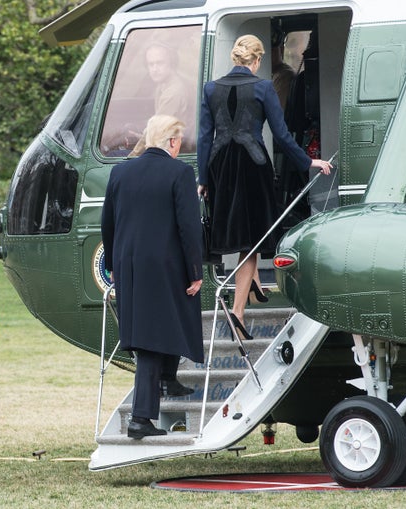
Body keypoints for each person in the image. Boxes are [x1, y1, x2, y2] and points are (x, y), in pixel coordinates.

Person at [197, 34, 332, 340]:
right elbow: (282, 135)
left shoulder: (210, 89)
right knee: (252, 244)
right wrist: (308, 162)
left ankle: (254, 284)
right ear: (257, 61)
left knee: (238, 233)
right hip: (252, 166)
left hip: (220, 167)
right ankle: (238, 313)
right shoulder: (262, 87)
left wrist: (203, 178)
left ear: (236, 59)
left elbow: (205, 137)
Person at [101, 115, 203, 439]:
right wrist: (195, 270)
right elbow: (189, 227)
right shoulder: (180, 172)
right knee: (151, 339)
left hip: (129, 266)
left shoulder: (121, 172)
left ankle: (168, 377)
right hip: (166, 265)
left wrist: (114, 265)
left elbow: (108, 223)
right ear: (172, 142)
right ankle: (141, 419)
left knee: (156, 326)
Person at [145, 43, 192, 127]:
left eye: (160, 63)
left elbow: (157, 130)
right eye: (151, 64)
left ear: (172, 63)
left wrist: (141, 139)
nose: (154, 69)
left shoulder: (173, 92)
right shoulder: (163, 85)